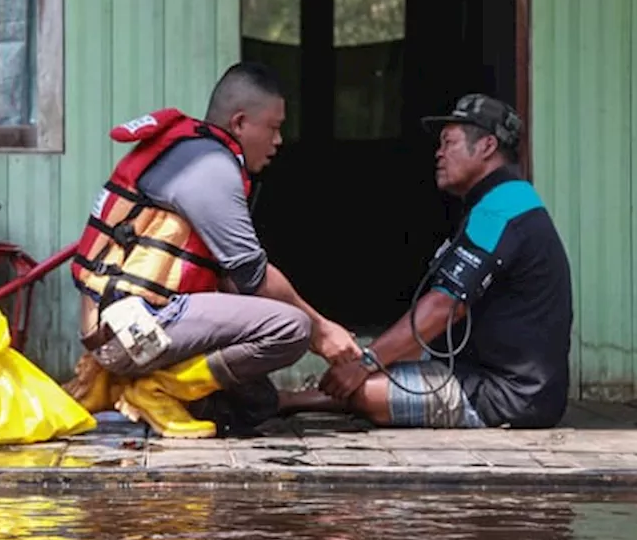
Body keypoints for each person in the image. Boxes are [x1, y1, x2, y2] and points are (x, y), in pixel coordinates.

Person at [63, 62, 362, 438]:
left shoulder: (192, 152)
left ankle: (135, 386)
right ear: (239, 123)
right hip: (134, 329)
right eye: (273, 127)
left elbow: (227, 282)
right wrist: (321, 331)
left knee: (253, 406)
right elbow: (253, 277)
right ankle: (156, 388)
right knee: (291, 327)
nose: (279, 140)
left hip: (124, 328)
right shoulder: (208, 165)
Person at [299, 93, 573, 429]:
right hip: (486, 374)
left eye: (449, 142)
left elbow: (445, 306)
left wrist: (366, 362)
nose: (439, 154)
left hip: (508, 395)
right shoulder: (504, 200)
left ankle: (288, 401)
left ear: (486, 147)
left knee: (366, 388)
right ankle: (287, 401)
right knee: (380, 363)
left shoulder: (500, 210)